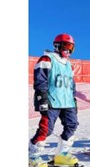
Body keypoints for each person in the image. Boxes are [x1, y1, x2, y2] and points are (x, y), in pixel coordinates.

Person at [29, 33, 79, 167]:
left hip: (67, 102)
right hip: (52, 101)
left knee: (72, 126)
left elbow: (71, 84)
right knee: (46, 129)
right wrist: (42, 98)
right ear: (57, 45)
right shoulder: (47, 59)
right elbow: (40, 79)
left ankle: (61, 155)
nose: (69, 50)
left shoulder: (69, 65)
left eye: (71, 47)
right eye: (66, 46)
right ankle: (33, 157)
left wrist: (73, 100)